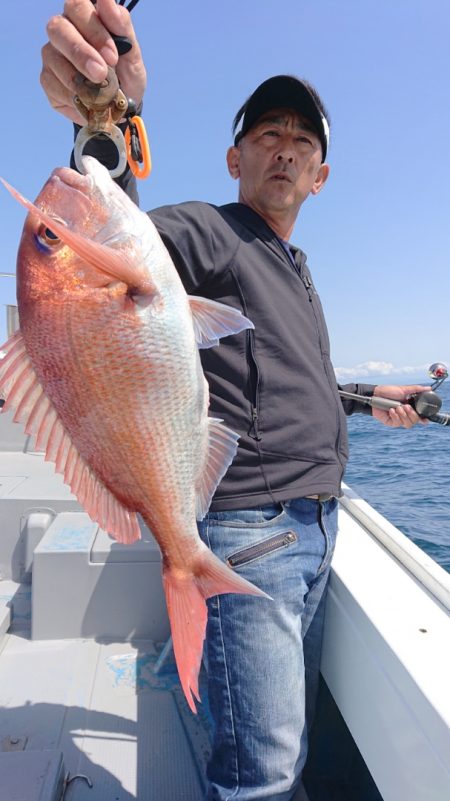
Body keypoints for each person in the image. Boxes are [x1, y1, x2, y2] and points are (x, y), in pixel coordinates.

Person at [41, 2, 428, 799]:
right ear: (233, 159)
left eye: (302, 142)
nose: (284, 152)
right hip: (254, 529)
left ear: (321, 176)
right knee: (261, 772)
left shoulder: (297, 266)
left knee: (288, 740)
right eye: (266, 137)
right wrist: (107, 113)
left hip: (320, 527)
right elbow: (110, 243)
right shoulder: (212, 233)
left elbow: (288, 376)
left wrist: (365, 396)